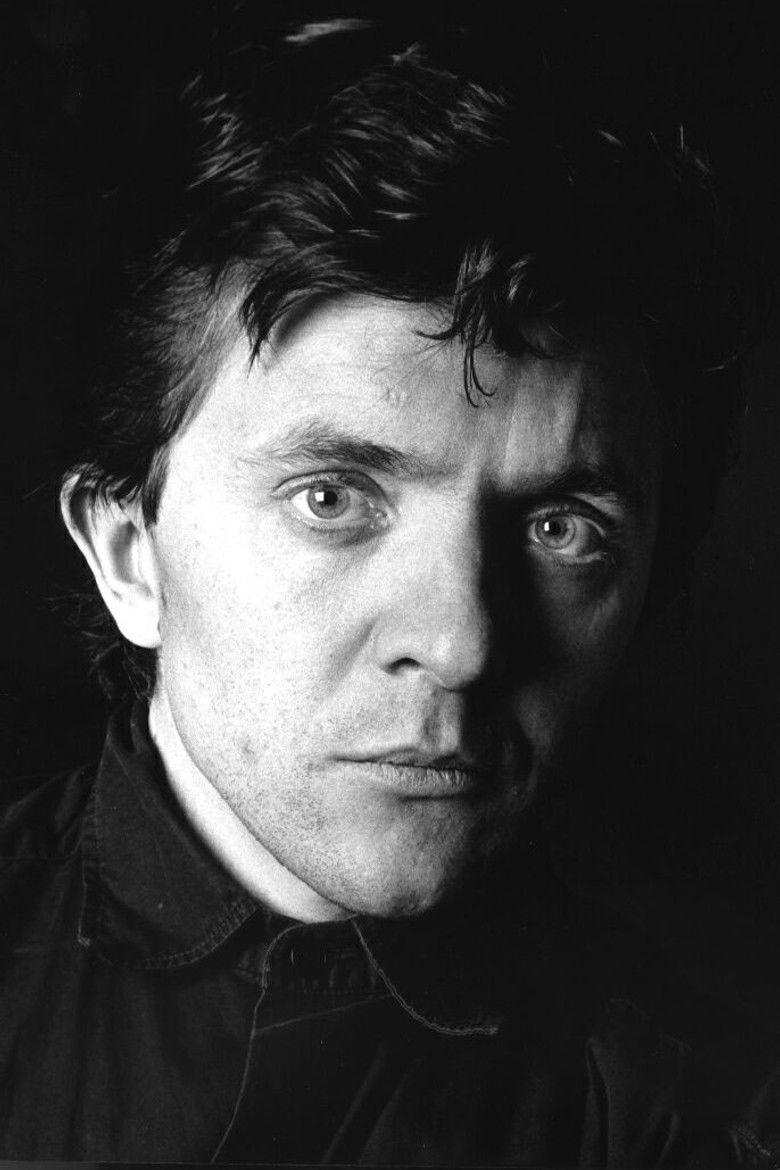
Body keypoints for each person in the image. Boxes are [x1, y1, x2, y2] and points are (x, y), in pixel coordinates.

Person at [0, 13, 769, 1165]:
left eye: (562, 529)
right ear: (127, 555)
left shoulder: (706, 1116)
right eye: (331, 499)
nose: (462, 643)